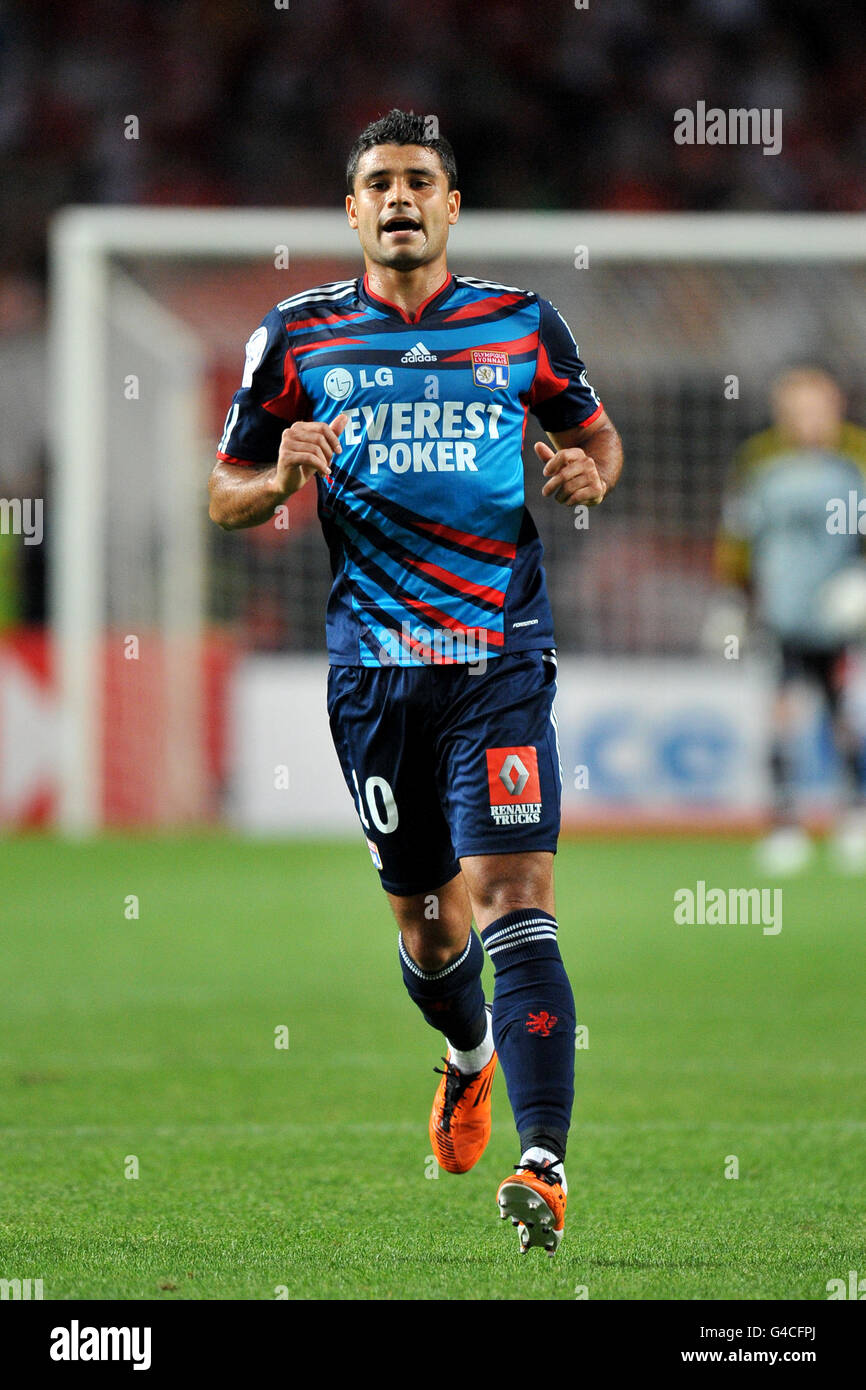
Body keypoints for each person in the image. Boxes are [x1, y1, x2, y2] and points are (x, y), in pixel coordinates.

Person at [209, 109, 623, 1255]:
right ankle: (466, 1056)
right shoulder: (293, 338)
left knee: (515, 896)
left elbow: (596, 440)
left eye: (419, 180)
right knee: (430, 925)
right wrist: (278, 475)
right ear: (351, 211)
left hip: (498, 658)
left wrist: (584, 472)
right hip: (375, 677)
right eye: (379, 182)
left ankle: (542, 1165)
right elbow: (223, 494)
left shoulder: (519, 324)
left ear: (450, 207)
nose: (399, 197)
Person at [714, 366, 866, 873]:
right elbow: (739, 533)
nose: (808, 419)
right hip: (780, 615)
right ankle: (784, 823)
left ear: (835, 408)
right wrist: (732, 598)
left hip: (841, 620)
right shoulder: (761, 462)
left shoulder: (856, 459)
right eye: (797, 409)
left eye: (816, 407)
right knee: (781, 717)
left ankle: (855, 816)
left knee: (844, 716)